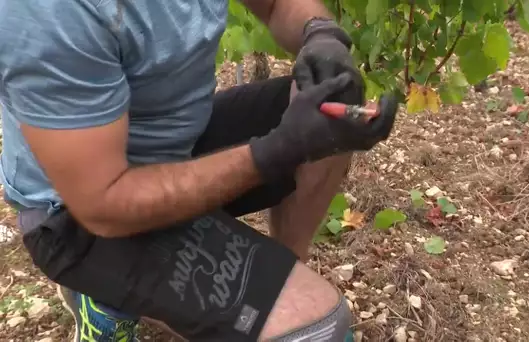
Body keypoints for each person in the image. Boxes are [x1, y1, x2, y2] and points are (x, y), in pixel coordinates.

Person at [0, 0, 397, 341]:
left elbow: (278, 4)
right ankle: (103, 300)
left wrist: (320, 32)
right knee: (319, 330)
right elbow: (103, 203)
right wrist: (275, 152)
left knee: (332, 112)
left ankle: (277, 275)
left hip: (175, 144)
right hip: (76, 215)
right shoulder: (51, 13)